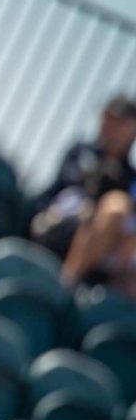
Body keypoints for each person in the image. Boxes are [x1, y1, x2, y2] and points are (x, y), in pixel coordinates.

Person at [29, 95, 136, 293]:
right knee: (116, 207)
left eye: (120, 122)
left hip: (108, 254)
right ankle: (66, 286)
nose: (110, 126)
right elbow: (55, 191)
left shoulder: (130, 179)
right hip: (61, 228)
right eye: (109, 117)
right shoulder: (81, 152)